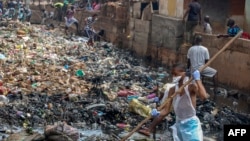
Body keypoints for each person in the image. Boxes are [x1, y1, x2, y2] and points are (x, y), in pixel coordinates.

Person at [139, 63, 208, 141]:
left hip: (191, 124)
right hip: (179, 124)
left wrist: (198, 80)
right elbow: (166, 111)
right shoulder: (172, 90)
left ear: (183, 73)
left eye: (176, 74)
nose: (174, 77)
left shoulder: (191, 87)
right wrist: (158, 113)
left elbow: (204, 97)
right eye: (172, 74)